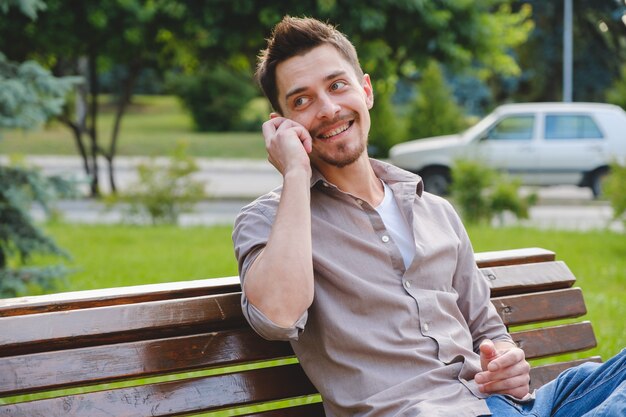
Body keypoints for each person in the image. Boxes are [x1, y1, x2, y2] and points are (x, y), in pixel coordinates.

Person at [232, 15, 625, 417]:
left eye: (337, 86)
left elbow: (488, 329)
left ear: (365, 91)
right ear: (280, 125)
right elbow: (277, 318)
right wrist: (296, 172)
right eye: (302, 100)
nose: (329, 109)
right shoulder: (270, 220)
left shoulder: (434, 209)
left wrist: (506, 360)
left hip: (507, 405)